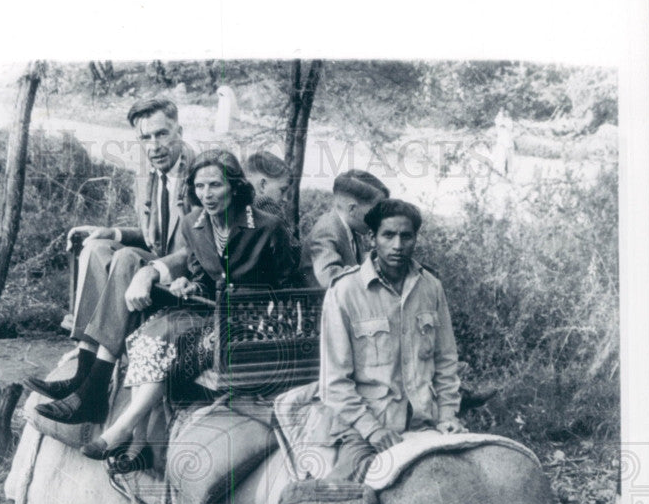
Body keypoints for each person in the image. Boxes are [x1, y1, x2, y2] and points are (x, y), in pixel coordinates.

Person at [80, 149, 297, 462]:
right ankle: (138, 441)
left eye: (215, 185)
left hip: (257, 322)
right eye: (199, 186)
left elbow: (288, 290)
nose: (206, 194)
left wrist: (266, 313)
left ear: (235, 185)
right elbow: (204, 282)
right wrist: (187, 285)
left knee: (185, 347)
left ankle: (123, 429)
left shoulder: (267, 226)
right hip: (211, 312)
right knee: (149, 336)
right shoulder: (192, 224)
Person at [28, 95, 196, 425]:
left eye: (161, 134)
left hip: (185, 277)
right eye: (145, 138)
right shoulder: (148, 173)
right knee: (98, 248)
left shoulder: (199, 174)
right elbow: (154, 236)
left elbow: (200, 247)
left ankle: (94, 391)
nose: (154, 146)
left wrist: (152, 270)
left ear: (179, 129)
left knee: (126, 260)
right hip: (154, 269)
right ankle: (83, 371)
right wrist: (111, 232)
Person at [319, 198, 464, 481]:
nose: (398, 245)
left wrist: (448, 415)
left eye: (406, 236)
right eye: (388, 235)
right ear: (372, 238)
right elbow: (334, 382)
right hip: (365, 429)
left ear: (415, 238)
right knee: (346, 502)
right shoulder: (345, 292)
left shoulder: (431, 288)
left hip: (425, 423)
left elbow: (446, 361)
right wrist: (372, 429)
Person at [302, 170, 389, 288]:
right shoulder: (326, 231)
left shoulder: (351, 228)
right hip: (318, 302)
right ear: (352, 209)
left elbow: (355, 261)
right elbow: (330, 278)